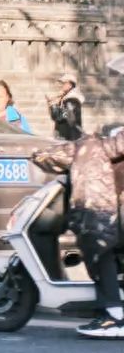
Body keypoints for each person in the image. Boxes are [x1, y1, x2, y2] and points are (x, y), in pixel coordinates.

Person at [33, 127, 124, 338]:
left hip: (102, 211)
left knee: (101, 250)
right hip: (111, 211)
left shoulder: (94, 146)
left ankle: (114, 316)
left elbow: (48, 157)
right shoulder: (107, 145)